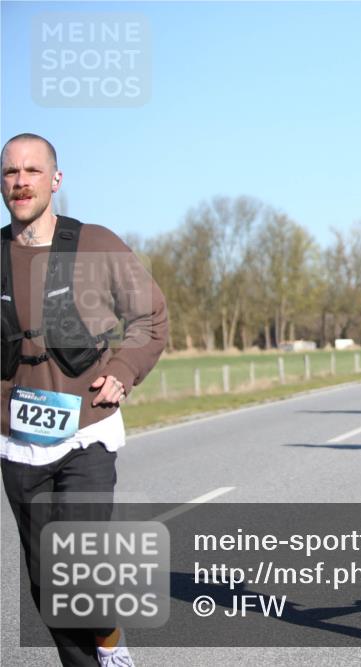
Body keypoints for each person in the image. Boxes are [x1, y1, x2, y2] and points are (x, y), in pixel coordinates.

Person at [1, 133, 168, 667]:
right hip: (17, 439)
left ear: (55, 179)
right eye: (10, 172)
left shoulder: (95, 244)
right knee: (46, 581)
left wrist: (122, 370)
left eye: (32, 171)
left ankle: (111, 641)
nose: (20, 182)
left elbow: (150, 317)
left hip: (86, 430)